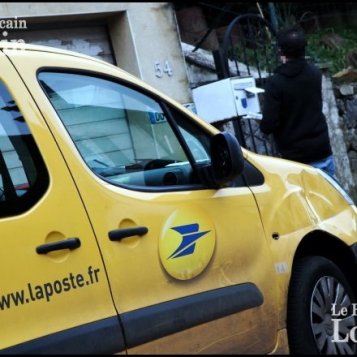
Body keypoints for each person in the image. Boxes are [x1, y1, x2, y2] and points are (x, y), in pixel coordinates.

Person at [259, 25, 336, 178]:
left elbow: (269, 124)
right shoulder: (314, 73)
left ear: (281, 51)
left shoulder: (275, 83)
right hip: (321, 148)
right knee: (330, 198)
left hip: (296, 158)